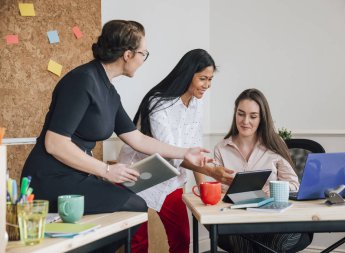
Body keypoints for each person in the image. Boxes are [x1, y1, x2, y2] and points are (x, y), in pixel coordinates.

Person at [20, 20, 212, 252]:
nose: (143, 59)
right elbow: (55, 143)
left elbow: (136, 138)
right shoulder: (82, 81)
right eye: (144, 53)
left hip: (77, 175)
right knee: (134, 205)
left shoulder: (109, 91)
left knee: (132, 208)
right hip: (50, 176)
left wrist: (185, 152)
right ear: (128, 54)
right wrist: (107, 170)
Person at [118, 49, 234, 253]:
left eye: (210, 79)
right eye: (203, 78)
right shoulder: (158, 102)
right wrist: (212, 172)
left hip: (170, 180)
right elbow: (170, 152)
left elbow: (194, 151)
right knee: (138, 243)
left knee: (182, 238)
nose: (207, 85)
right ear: (188, 74)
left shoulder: (197, 104)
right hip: (137, 178)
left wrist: (204, 191)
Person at [214, 88, 312, 253]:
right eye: (241, 114)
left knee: (271, 245)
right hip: (237, 221)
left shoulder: (274, 144)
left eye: (253, 116)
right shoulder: (221, 148)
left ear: (262, 118)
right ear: (235, 113)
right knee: (245, 242)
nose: (245, 121)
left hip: (274, 221)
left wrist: (274, 189)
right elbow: (216, 190)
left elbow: (294, 185)